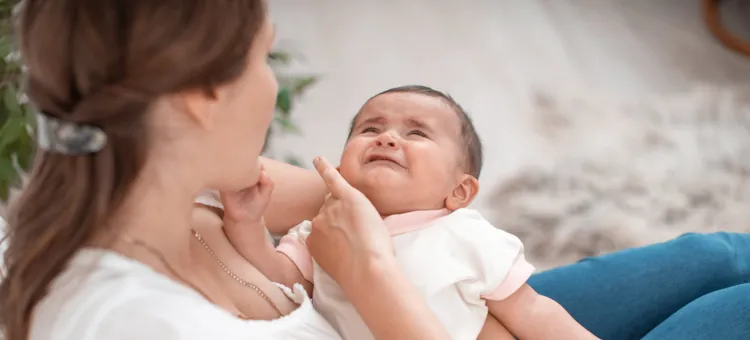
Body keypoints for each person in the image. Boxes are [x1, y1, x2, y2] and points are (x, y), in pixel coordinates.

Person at [0, 1, 454, 339]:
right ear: (204, 97)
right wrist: (373, 273)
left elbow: (405, 198)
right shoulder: (141, 322)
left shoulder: (188, 188)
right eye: (264, 58)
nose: (272, 86)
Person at [222, 85, 596, 340]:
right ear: (339, 166)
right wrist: (248, 224)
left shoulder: (467, 235)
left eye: (416, 134)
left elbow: (532, 313)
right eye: (370, 128)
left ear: (459, 191)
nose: (387, 138)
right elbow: (282, 279)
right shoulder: (318, 229)